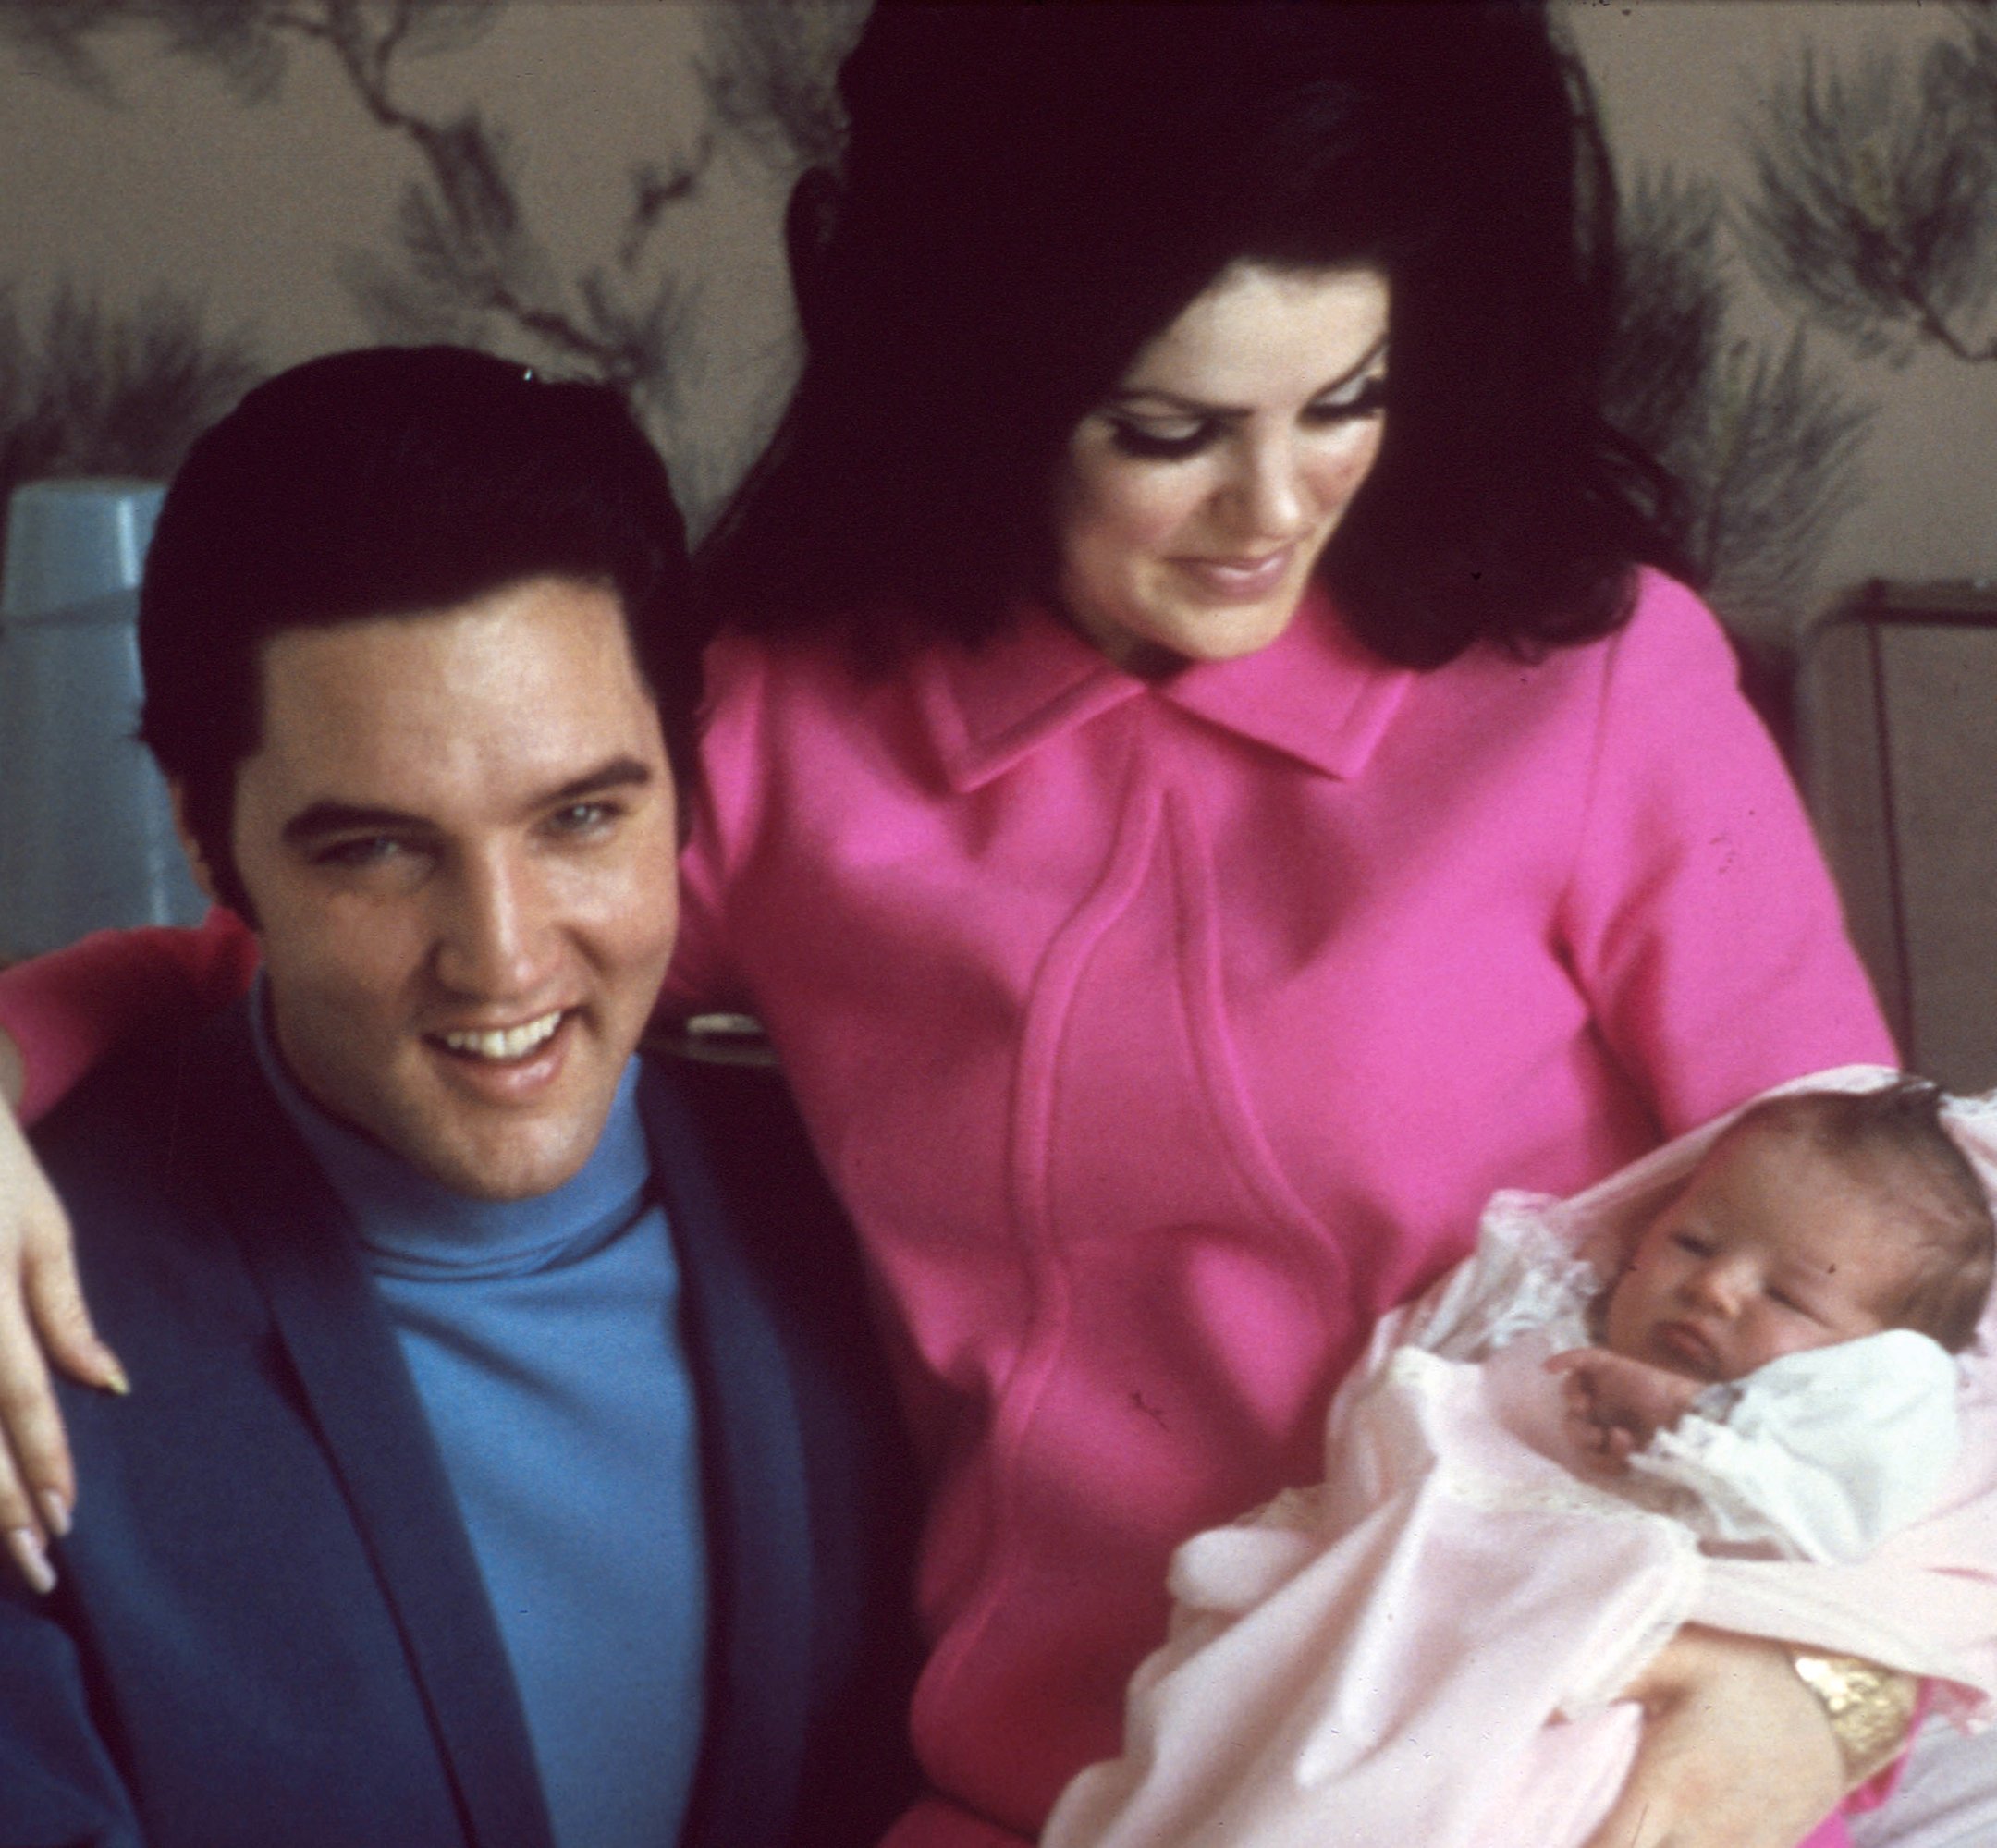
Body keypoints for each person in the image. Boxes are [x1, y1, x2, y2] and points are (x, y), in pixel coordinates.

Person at [0, 6, 1975, 1845]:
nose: (1271, 511)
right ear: (993, 378)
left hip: (1588, 1747)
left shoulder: (1601, 689)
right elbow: (344, 956)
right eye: (1168, 430)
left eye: (1343, 400)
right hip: (1051, 1791)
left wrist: (1825, 1695)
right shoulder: (783, 737)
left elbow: (1907, 1285)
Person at [0, 347, 917, 1848]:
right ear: (208, 836)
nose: (500, 955)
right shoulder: (27, 1313)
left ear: (686, 783)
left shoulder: (867, 1201)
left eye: (580, 817)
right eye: (373, 848)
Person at [1040, 1072, 1997, 1848]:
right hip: (1399, 1642)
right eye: (1694, 1242)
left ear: (1884, 1366)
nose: (1713, 1288)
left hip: (1596, 1711)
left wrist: (1692, 1424)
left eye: (1790, 1295)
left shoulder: (1843, 1433)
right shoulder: (1534, 1341)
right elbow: (1408, 1435)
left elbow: (1810, 1516)